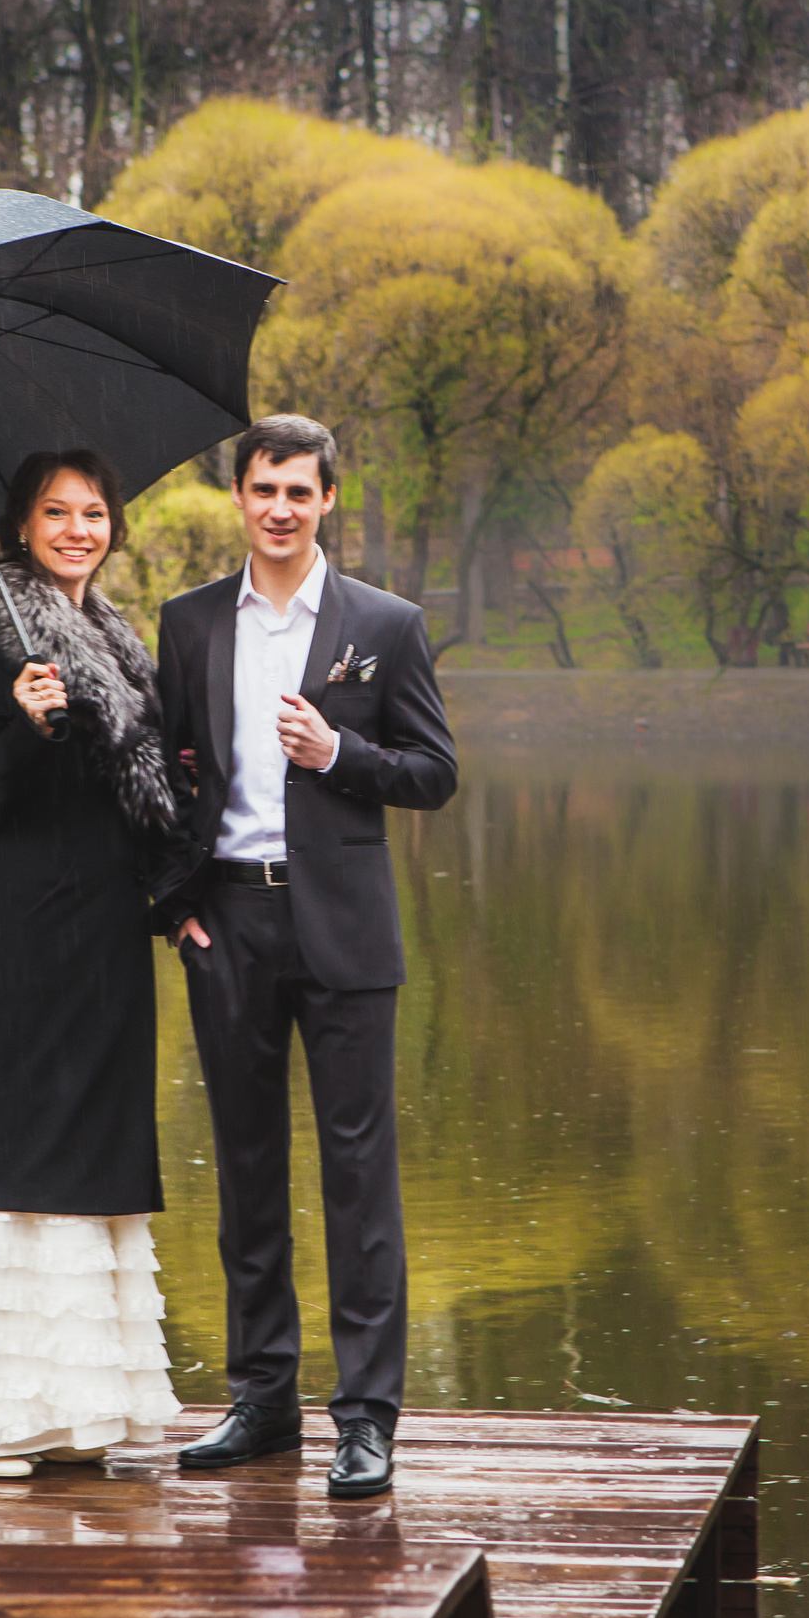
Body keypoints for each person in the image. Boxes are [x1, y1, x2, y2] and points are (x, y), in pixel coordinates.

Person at [153, 414, 457, 1500]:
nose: (279, 508)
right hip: (226, 927)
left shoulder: (385, 623)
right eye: (261, 489)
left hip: (344, 932)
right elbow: (168, 780)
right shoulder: (187, 625)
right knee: (244, 1176)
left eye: (299, 491)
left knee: (358, 1181)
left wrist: (339, 754)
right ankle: (263, 1399)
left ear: (330, 500)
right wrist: (174, 906)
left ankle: (366, 1418)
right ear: (237, 497)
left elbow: (432, 772)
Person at [0, 448, 187, 1479]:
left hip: (106, 934)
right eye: (56, 512)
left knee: (95, 1156)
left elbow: (140, 793)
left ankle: (76, 1419)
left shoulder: (117, 641)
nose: (78, 528)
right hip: (21, 934)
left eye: (94, 511)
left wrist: (179, 891)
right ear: (20, 526)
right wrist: (23, 726)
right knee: (22, 1156)